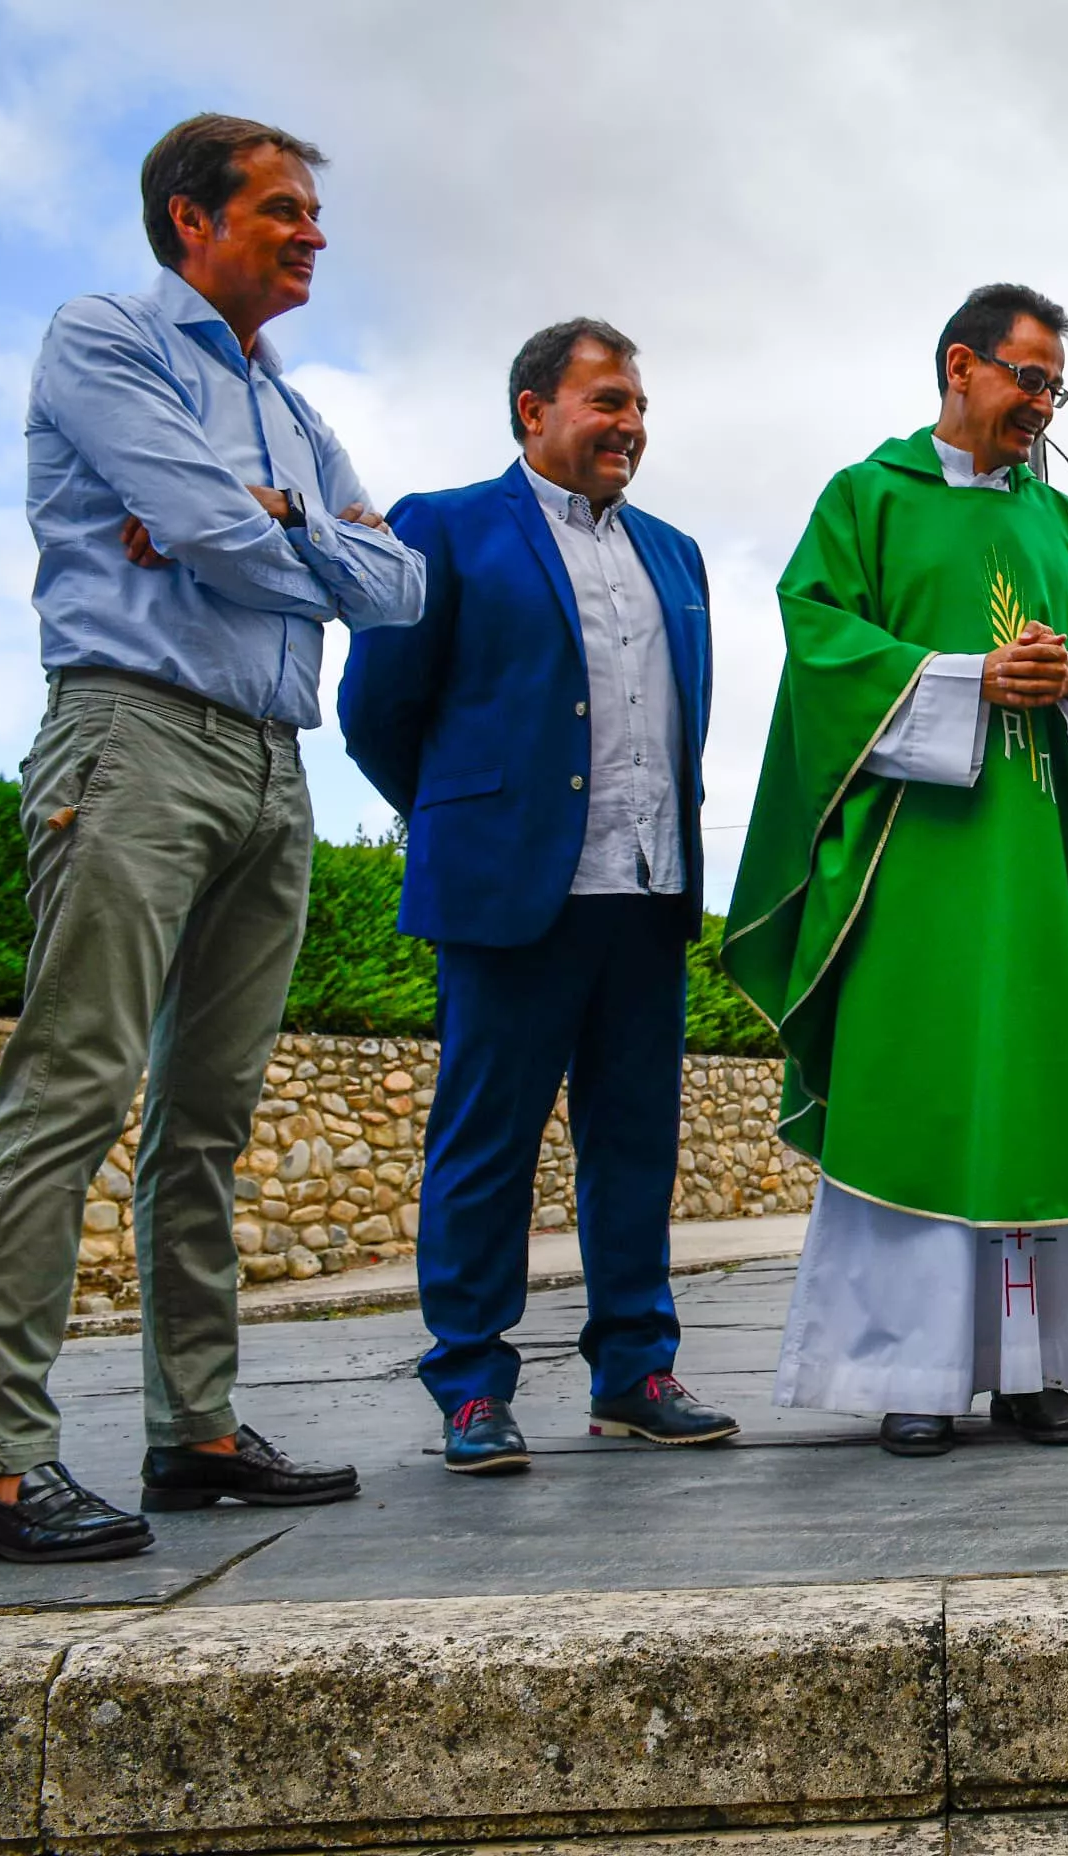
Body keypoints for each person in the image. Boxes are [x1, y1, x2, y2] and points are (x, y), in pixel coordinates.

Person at [0, 115, 421, 1562]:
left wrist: (272, 516)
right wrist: (283, 536)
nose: (311, 234)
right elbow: (208, 525)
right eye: (282, 210)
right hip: (132, 736)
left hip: (272, 765)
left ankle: (198, 1433)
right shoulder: (103, 337)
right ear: (191, 218)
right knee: (73, 1083)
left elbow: (400, 581)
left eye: (314, 214)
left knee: (210, 1115)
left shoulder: (290, 411)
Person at [722, 283, 1068, 1457]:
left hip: (1042, 865)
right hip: (919, 864)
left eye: (1055, 387)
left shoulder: (1062, 525)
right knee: (918, 1100)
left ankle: (1038, 1372)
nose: (1043, 405)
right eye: (1028, 379)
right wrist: (961, 679)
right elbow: (820, 643)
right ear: (961, 366)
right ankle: (909, 1373)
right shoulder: (867, 498)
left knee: (1039, 1101)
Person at [340, 320, 737, 1475]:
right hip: (509, 894)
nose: (630, 426)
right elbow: (378, 712)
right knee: (486, 1145)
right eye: (606, 401)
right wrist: (475, 823)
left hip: (646, 888)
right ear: (531, 410)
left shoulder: (676, 553)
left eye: (639, 408)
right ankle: (470, 1383)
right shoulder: (448, 525)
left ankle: (635, 1369)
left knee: (634, 1146)